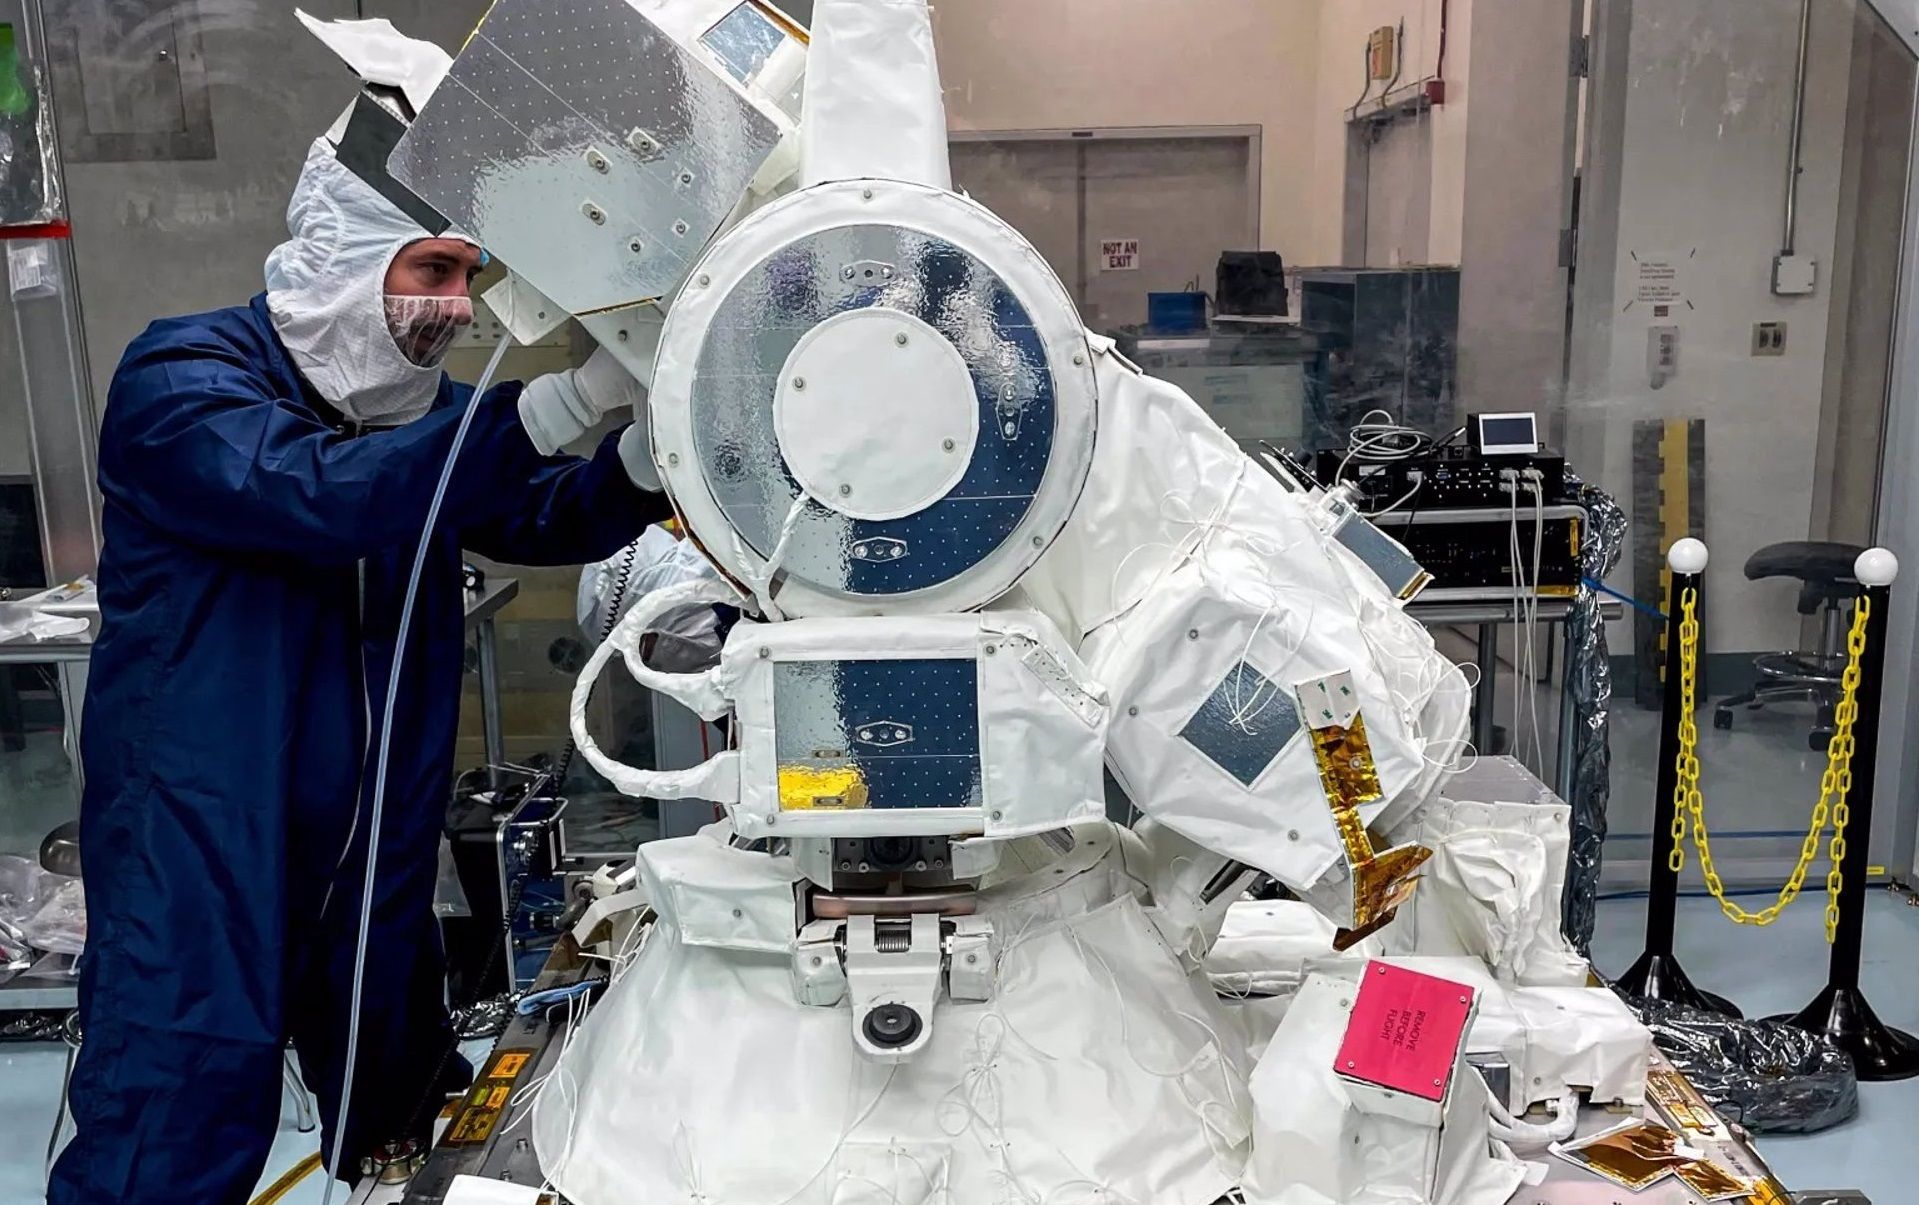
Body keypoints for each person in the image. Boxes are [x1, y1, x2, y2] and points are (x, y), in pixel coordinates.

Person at [47, 131, 673, 1202]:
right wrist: (567, 396)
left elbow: (527, 509)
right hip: (201, 833)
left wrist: (641, 453)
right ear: (346, 259)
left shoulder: (408, 412)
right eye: (432, 271)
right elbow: (318, 493)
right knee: (176, 1100)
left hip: (370, 835)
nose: (460, 306)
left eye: (468, 277)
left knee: (396, 1090)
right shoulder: (181, 378)